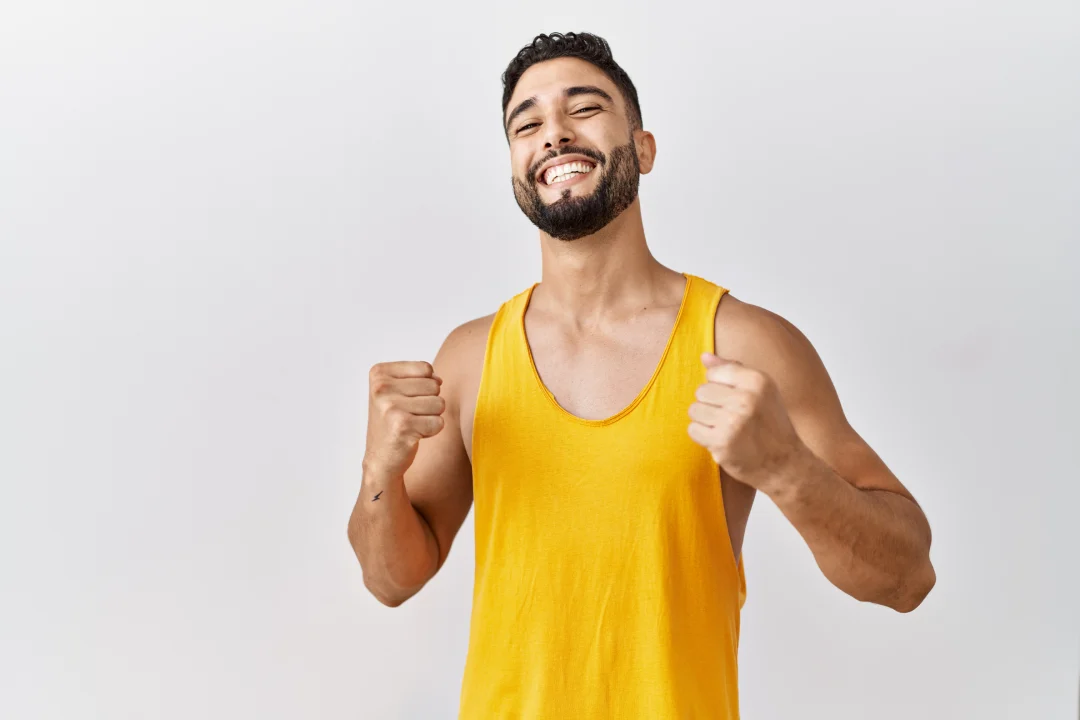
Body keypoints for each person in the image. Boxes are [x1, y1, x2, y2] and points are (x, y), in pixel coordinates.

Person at [348, 31, 936, 719]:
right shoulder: (470, 358)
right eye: (527, 123)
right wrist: (377, 474)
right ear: (515, 166)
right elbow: (392, 581)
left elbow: (907, 577)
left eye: (584, 108)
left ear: (644, 147)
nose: (554, 134)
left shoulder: (741, 342)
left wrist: (785, 469)